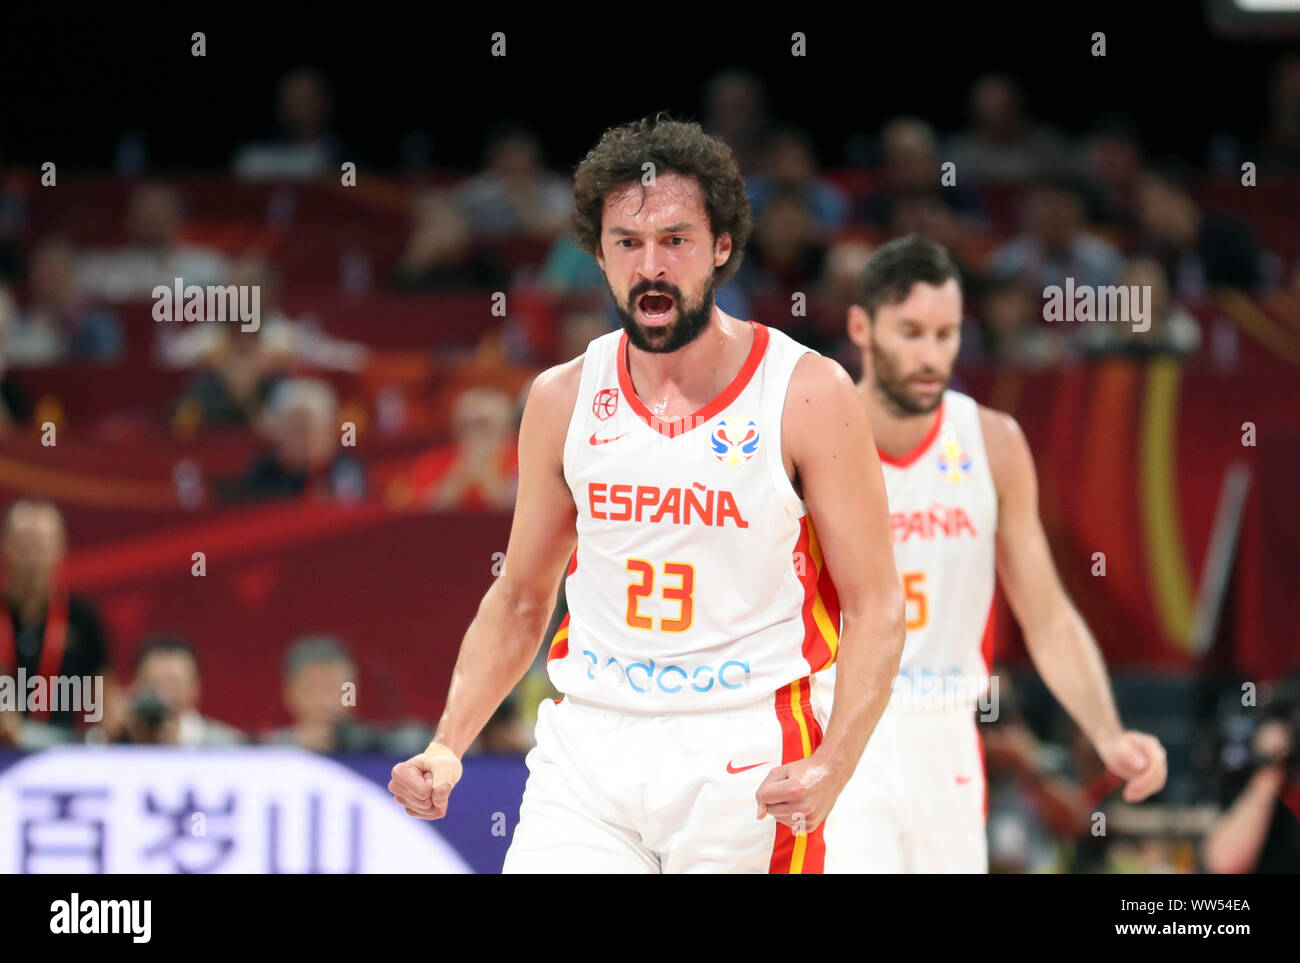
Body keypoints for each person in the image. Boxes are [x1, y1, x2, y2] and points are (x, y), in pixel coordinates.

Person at [388, 115, 905, 874]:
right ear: (598, 254)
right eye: (628, 242)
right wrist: (447, 741)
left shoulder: (806, 392)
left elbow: (877, 605)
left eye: (675, 240)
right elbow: (522, 598)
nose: (651, 265)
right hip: (589, 750)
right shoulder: (562, 398)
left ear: (722, 247)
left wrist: (836, 760)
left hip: (745, 751)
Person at [818, 236, 1168, 872]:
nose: (932, 355)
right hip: (834, 726)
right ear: (861, 327)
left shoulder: (994, 442)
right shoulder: (814, 436)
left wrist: (1109, 733)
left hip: (946, 730)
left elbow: (1048, 615)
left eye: (947, 334)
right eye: (912, 332)